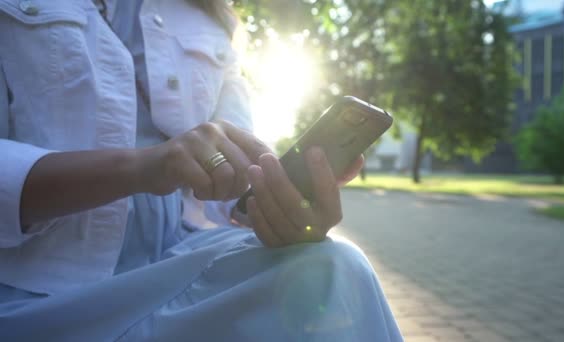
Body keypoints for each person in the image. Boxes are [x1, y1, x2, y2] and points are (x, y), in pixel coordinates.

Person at [0, 0, 402, 340]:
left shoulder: (208, 17)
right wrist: (143, 166)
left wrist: (275, 206)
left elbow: (235, 186)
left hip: (176, 265)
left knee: (329, 265)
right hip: (35, 294)